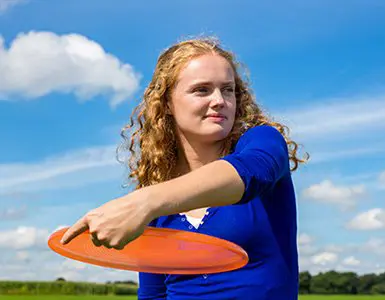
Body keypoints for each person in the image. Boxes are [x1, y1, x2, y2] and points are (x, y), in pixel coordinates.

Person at [61, 37, 308, 299]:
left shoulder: (263, 141)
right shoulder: (157, 206)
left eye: (228, 90)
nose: (219, 100)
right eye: (202, 90)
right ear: (166, 103)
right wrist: (148, 203)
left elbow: (253, 170)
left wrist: (143, 203)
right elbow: (153, 294)